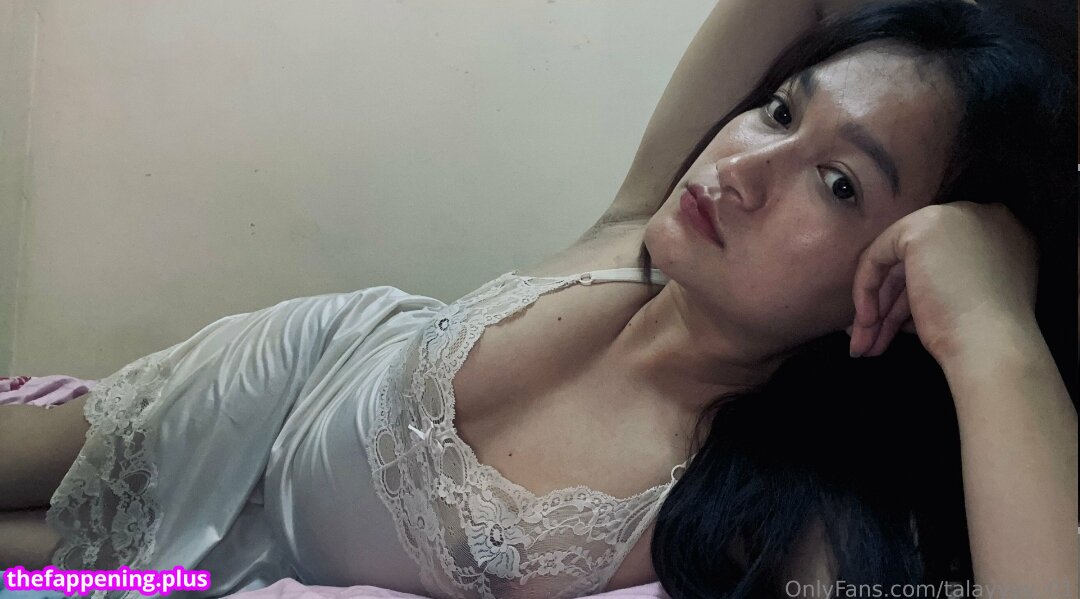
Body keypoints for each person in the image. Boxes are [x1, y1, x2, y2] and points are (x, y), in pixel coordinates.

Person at [0, 1, 1075, 598]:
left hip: (274, 564)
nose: (743, 167)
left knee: (39, 562)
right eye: (781, 111)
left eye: (839, 183)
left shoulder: (759, 525)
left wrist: (994, 330)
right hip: (281, 379)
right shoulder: (635, 233)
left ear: (899, 283)